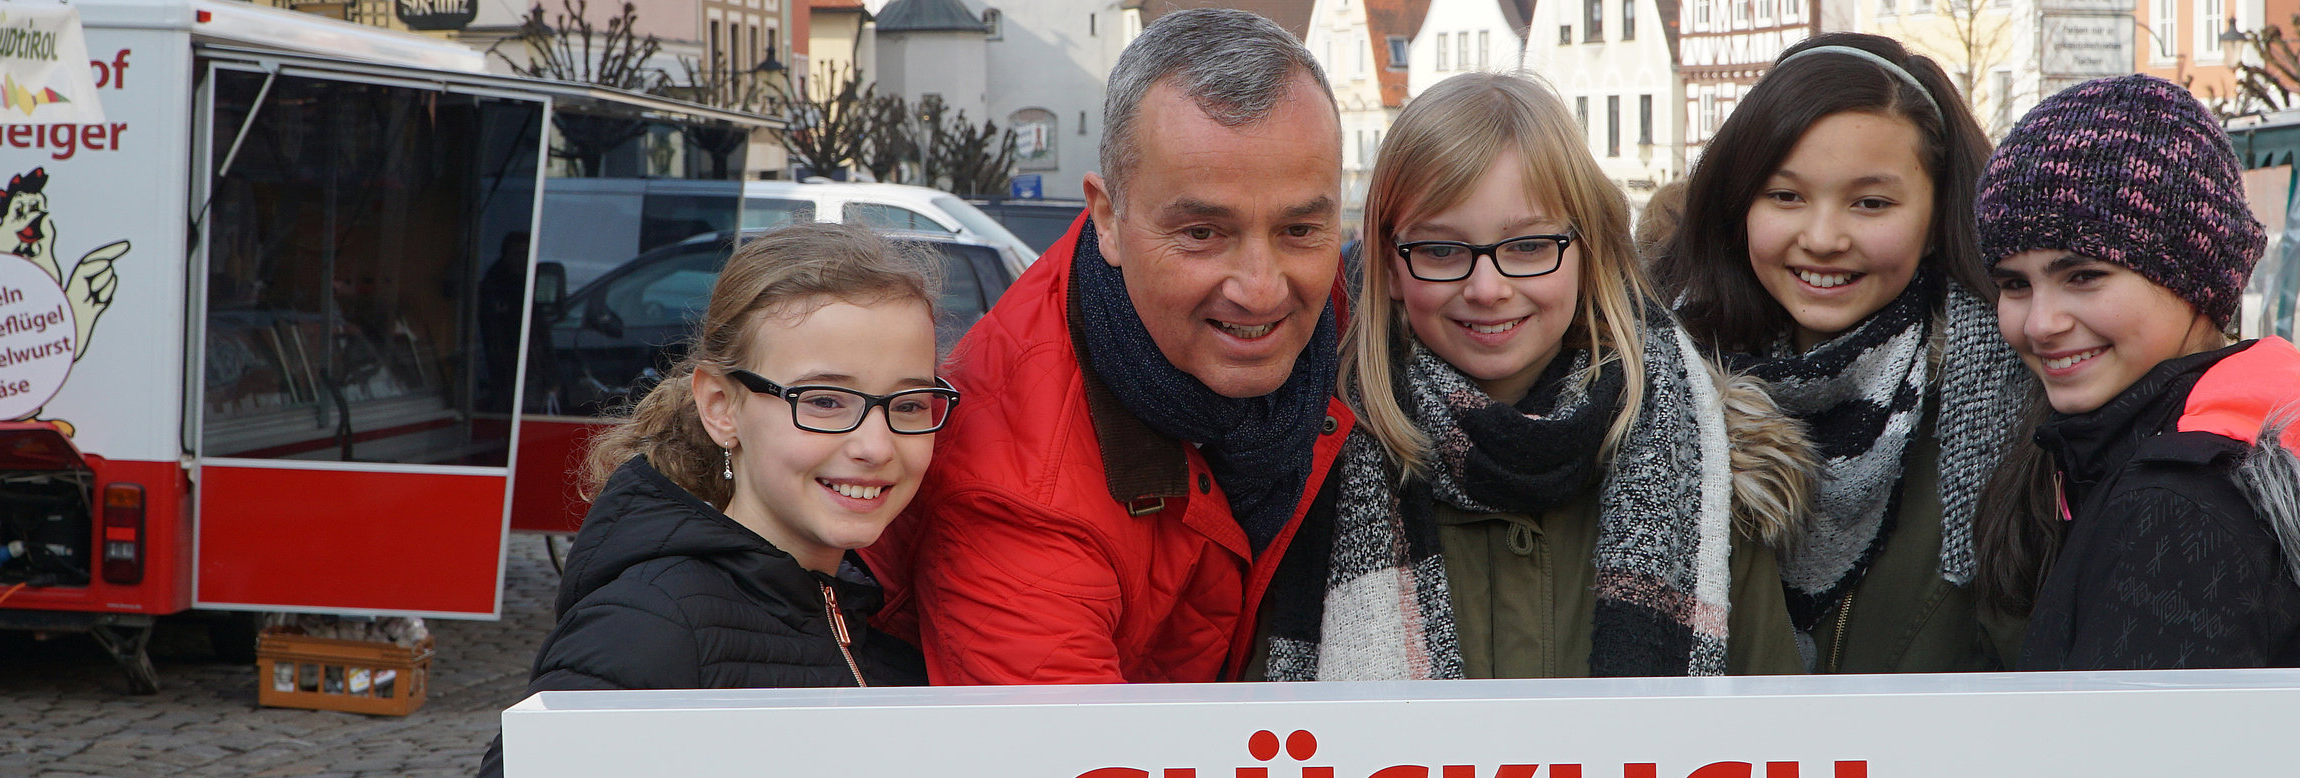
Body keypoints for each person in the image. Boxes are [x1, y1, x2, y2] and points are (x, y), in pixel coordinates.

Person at [424, 224, 945, 778]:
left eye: (907, 403)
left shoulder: (873, 609)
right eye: (824, 401)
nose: (874, 443)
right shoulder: (653, 621)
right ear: (721, 407)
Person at [1258, 73, 1807, 678]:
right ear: (1389, 264)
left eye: (1527, 246)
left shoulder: (1701, 464)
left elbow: (1773, 737)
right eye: (1441, 251)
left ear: (1587, 248)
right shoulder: (1304, 467)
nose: (1487, 289)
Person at [861, 8, 1353, 683]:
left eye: (1300, 230)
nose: (1262, 290)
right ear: (1108, 220)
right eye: (1204, 233)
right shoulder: (1015, 491)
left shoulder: (1370, 323)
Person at [1969, 75, 2300, 670]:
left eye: (2083, 276)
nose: (2040, 323)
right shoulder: (2228, 444)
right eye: (2014, 285)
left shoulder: (2177, 509)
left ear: (2192, 278)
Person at [1655, 33, 2031, 672]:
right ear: (1737, 203)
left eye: (1871, 203)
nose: (1823, 238)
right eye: (1785, 196)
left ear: (1938, 213)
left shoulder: (2005, 408)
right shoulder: (1655, 393)